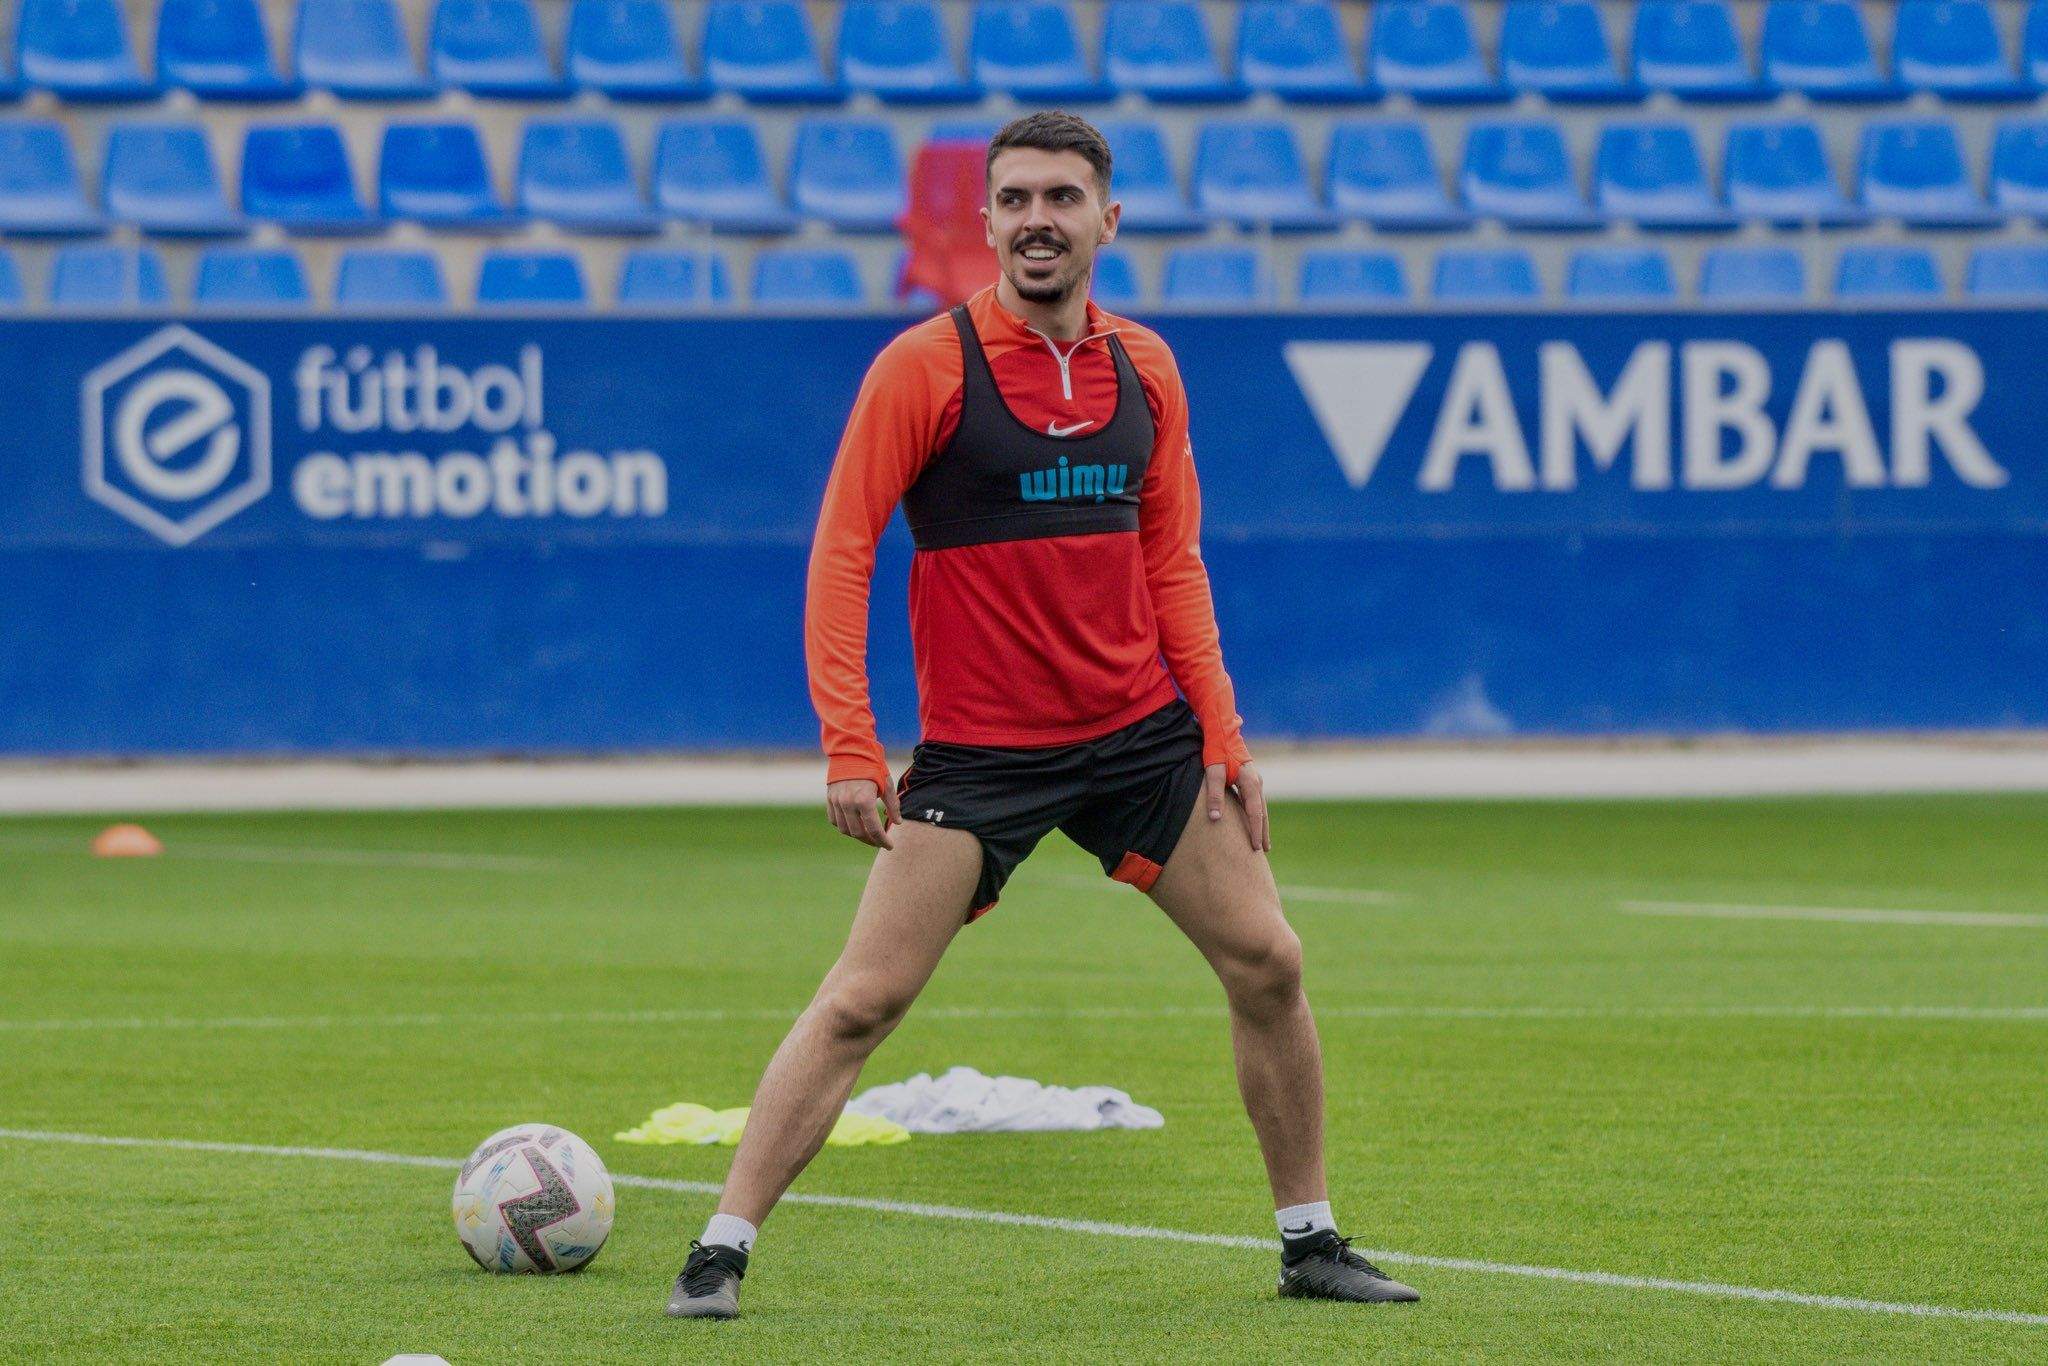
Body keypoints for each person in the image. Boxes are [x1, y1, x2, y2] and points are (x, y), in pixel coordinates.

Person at [667, 111, 1419, 1319]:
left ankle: (1309, 1241)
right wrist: (849, 744)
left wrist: (1223, 737)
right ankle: (719, 1249)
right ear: (985, 223)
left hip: (1140, 740)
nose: (1035, 221)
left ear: (1104, 221)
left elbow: (1173, 562)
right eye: (1013, 199)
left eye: (1060, 199)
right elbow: (841, 553)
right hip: (982, 754)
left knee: (1269, 962)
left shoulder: (1146, 368)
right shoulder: (924, 367)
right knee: (863, 999)